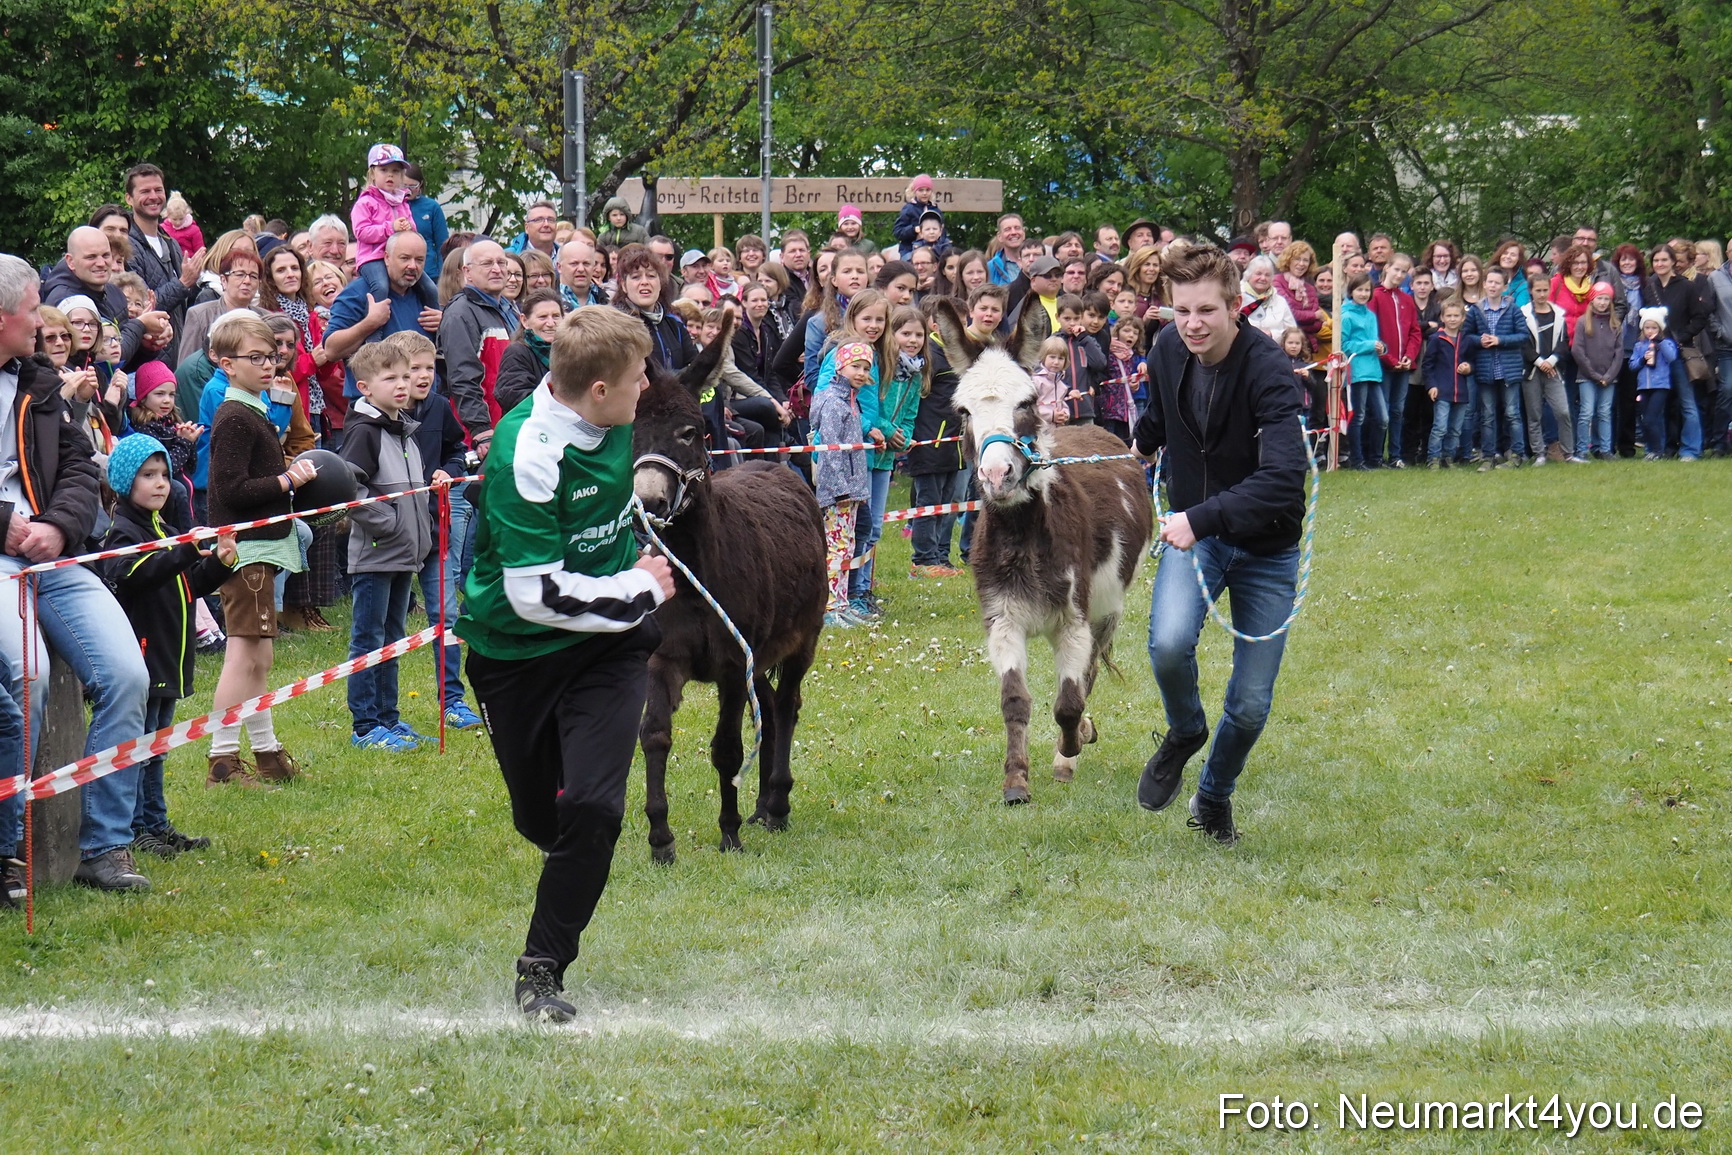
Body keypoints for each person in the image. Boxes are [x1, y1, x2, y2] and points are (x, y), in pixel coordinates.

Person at [457, 305, 673, 1021]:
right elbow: (533, 594)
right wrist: (636, 586)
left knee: (592, 808)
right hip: (514, 652)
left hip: (608, 646)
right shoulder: (530, 451)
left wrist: (632, 586)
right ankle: (571, 848)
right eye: (641, 376)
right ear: (602, 390)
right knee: (542, 823)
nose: (650, 386)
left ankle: (541, 966)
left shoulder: (615, 413)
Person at [1132, 244, 1307, 846]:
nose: (1193, 324)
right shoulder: (1166, 349)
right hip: (1196, 532)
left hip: (1265, 546)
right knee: (1168, 645)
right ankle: (1184, 731)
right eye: (1181, 311)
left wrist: (1200, 517)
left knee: (1252, 703)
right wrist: (1138, 446)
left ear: (1237, 307)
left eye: (1207, 310)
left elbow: (1284, 480)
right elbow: (1159, 417)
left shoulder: (1268, 370)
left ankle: (1213, 795)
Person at [0, 254, 154, 895]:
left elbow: (81, 468)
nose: (43, 321)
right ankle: (7, 852)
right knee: (27, 679)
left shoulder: (39, 383)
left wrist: (58, 529)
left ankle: (105, 847)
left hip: (53, 554)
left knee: (127, 675)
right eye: (34, 308)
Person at [96, 436, 231, 857]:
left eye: (164, 476)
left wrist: (218, 564)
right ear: (124, 482)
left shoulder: (166, 531)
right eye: (148, 476)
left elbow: (186, 587)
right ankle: (137, 827)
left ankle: (156, 820)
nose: (160, 485)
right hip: (144, 655)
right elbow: (136, 574)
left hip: (171, 659)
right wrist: (186, 549)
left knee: (156, 750)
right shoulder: (123, 533)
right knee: (140, 748)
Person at [203, 311, 318, 785]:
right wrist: (286, 479)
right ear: (226, 364)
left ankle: (267, 755)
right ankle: (221, 759)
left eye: (272, 356)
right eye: (256, 358)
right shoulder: (233, 417)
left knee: (260, 657)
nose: (268, 365)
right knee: (242, 656)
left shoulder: (254, 408)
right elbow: (230, 491)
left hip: (261, 549)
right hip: (244, 550)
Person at [337, 341, 435, 750]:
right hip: (377, 554)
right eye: (389, 378)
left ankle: (389, 718)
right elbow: (351, 489)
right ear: (365, 387)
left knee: (394, 637)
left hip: (404, 555)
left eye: (404, 375)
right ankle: (365, 725)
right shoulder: (365, 432)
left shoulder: (404, 431)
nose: (402, 384)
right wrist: (391, 523)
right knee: (368, 638)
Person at [382, 330, 482, 730]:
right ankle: (383, 713)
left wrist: (450, 470)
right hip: (396, 532)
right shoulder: (383, 415)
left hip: (436, 526)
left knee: (446, 611)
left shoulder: (440, 408)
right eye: (413, 369)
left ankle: (453, 700)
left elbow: (458, 449)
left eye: (428, 368)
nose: (423, 376)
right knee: (390, 622)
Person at [907, 286, 993, 577]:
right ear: (935, 324)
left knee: (951, 502)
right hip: (929, 440)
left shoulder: (960, 353)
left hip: (957, 443)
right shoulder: (928, 355)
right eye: (950, 323)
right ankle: (923, 560)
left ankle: (941, 557)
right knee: (928, 502)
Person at [811, 340, 878, 627]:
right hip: (837, 491)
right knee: (837, 547)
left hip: (852, 490)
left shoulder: (851, 401)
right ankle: (829, 606)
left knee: (847, 546)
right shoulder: (831, 403)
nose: (861, 373)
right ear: (840, 367)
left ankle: (841, 602)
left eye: (866, 368)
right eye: (856, 366)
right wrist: (840, 490)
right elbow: (831, 450)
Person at [439, 239, 519, 455]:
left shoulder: (509, 308)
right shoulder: (460, 313)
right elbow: (463, 377)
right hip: (481, 437)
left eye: (501, 263)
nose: (497, 269)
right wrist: (481, 430)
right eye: (487, 263)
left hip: (510, 427)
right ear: (467, 272)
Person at [123, 165, 203, 363]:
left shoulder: (170, 242)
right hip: (146, 358)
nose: (154, 196)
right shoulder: (127, 246)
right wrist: (183, 282)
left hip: (177, 353)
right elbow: (140, 306)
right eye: (145, 191)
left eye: (158, 190)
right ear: (129, 199)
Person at [351, 144, 442, 311]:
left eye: (396, 171)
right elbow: (361, 232)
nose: (390, 175)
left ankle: (435, 323)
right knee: (381, 286)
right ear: (372, 173)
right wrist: (390, 228)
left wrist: (409, 228)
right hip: (372, 258)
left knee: (430, 288)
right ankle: (375, 328)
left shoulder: (402, 202)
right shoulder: (365, 202)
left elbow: (412, 230)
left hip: (400, 259)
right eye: (384, 170)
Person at [1462, 267, 1528, 470]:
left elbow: (1523, 335)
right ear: (1484, 284)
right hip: (1485, 370)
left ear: (1505, 286)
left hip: (1509, 369)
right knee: (1488, 415)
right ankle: (1488, 457)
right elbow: (1466, 335)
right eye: (1489, 282)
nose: (1492, 286)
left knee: (1512, 413)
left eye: (1497, 283)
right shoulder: (1476, 309)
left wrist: (1500, 340)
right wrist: (1479, 340)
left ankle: (1517, 454)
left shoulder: (1513, 308)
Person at [1369, 256, 1421, 468]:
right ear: (1387, 268)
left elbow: (1414, 331)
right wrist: (1389, 359)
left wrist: (1409, 356)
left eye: (1404, 272)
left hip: (1403, 365)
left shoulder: (1407, 299)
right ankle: (1376, 455)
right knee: (1382, 413)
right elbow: (1373, 333)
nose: (1399, 275)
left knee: (1398, 410)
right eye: (1396, 270)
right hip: (1383, 364)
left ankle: (1396, 455)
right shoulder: (1375, 296)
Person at [1521, 275, 1577, 463]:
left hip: (1553, 369)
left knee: (1563, 411)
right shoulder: (1524, 314)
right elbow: (1523, 343)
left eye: (1545, 290)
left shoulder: (1558, 314)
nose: (1542, 294)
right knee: (1534, 413)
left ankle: (1568, 453)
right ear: (1531, 291)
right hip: (1532, 371)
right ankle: (1539, 454)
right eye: (1538, 290)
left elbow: (1564, 342)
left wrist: (1551, 361)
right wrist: (1539, 362)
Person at [1339, 273, 1385, 469]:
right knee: (1358, 416)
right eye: (1359, 290)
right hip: (1356, 371)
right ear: (1351, 292)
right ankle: (1357, 460)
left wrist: (1382, 347)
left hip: (1374, 371)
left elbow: (1376, 341)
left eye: (1367, 290)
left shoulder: (1371, 315)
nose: (1363, 294)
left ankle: (1376, 459)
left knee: (1383, 418)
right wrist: (1369, 345)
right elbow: (1343, 344)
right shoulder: (1346, 315)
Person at [1422, 298, 1474, 467]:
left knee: (1455, 429)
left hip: (1461, 392)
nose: (1452, 319)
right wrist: (1431, 386)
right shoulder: (1437, 338)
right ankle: (1433, 458)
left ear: (1463, 318)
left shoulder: (1466, 339)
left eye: (1456, 316)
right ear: (1442, 318)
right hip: (1442, 391)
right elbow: (1427, 365)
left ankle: (1448, 457)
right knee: (1440, 427)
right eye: (1449, 316)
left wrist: (1468, 367)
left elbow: (1472, 361)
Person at [1572, 282, 1621, 460]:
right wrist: (1593, 374)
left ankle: (1605, 449)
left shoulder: (1615, 323)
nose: (1602, 302)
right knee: (1586, 412)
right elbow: (1577, 350)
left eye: (1606, 299)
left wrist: (1609, 376)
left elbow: (1619, 352)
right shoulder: (1583, 322)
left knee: (1605, 412)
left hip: (1609, 378)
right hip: (1587, 377)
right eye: (1599, 298)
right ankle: (1582, 449)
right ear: (1592, 300)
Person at [496, 289, 562, 415]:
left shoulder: (570, 353)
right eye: (542, 317)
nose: (550, 323)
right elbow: (514, 397)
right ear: (525, 321)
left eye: (556, 316)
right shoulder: (517, 352)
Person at [1629, 308, 1677, 459]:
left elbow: (1672, 358)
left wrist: (1660, 343)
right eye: (1647, 327)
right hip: (1644, 387)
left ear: (1660, 328)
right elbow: (1632, 365)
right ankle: (1653, 449)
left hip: (1660, 386)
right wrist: (1643, 359)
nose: (1650, 331)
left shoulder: (1666, 343)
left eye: (1654, 327)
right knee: (1646, 420)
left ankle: (1657, 450)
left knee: (1651, 418)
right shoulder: (1639, 345)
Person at [402, 162, 450, 280]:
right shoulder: (391, 206)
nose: (408, 190)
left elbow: (442, 244)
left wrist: (442, 274)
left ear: (421, 185)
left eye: (413, 186)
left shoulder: (432, 207)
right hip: (401, 271)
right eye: (404, 186)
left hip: (429, 272)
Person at [892, 176, 942, 256]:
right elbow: (898, 232)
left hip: (934, 249)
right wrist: (914, 229)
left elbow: (942, 231)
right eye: (921, 190)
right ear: (914, 191)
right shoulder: (909, 209)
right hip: (910, 249)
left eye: (927, 190)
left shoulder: (935, 210)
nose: (924, 193)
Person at [557, 238, 606, 309]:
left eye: (586, 263)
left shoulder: (607, 301)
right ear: (559, 267)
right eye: (574, 263)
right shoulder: (547, 301)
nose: (581, 269)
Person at [1032, 335, 1071, 425]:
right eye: (1052, 357)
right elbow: (1032, 408)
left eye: (1060, 358)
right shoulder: (1036, 381)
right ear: (1043, 357)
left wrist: (1065, 413)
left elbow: (1061, 402)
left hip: (1057, 429)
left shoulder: (1061, 383)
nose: (1056, 362)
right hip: (1040, 428)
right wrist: (1051, 415)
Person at [987, 214, 1026, 285]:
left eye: (1017, 228)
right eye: (1007, 229)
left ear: (1023, 234)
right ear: (1000, 237)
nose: (1013, 232)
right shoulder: (990, 268)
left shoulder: (1036, 261)